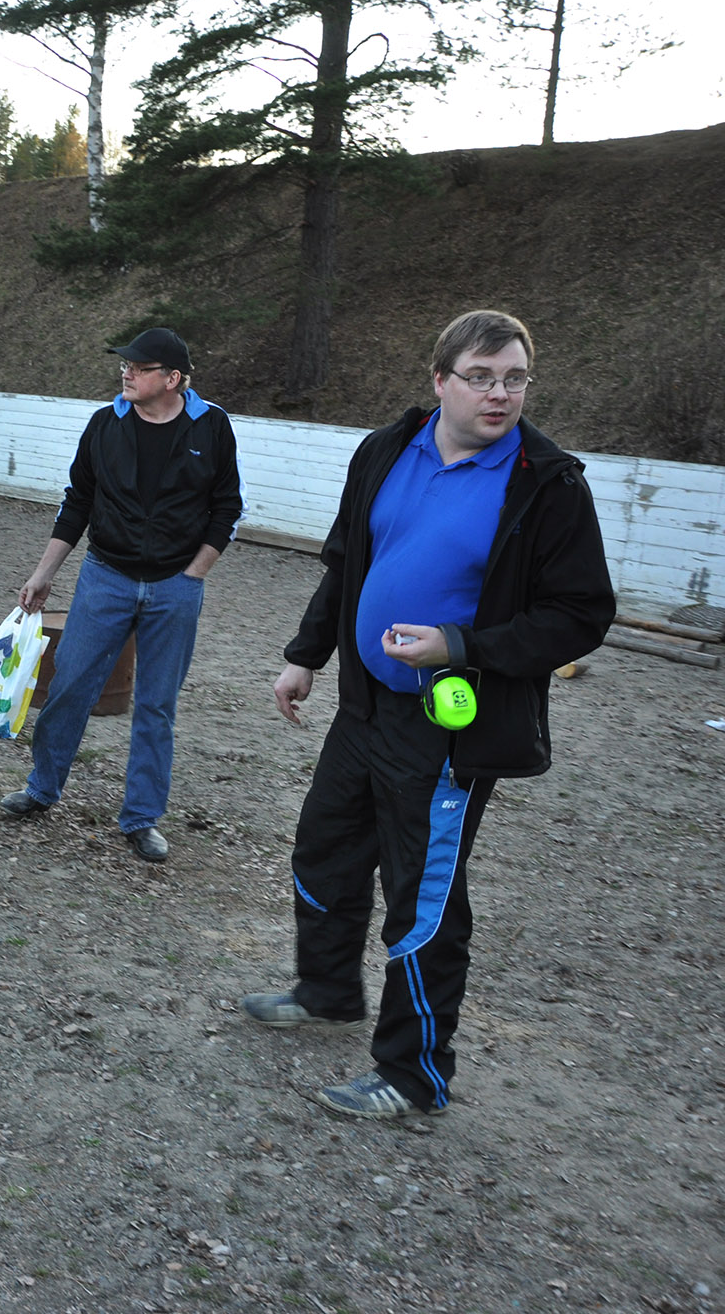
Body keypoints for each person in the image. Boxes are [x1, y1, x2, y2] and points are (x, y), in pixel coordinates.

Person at [242, 310, 615, 1119]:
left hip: (448, 727)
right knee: (325, 850)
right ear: (440, 380)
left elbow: (581, 615)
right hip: (363, 706)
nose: (500, 394)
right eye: (480, 377)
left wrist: (459, 645)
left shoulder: (547, 484)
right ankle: (327, 991)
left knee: (424, 896)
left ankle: (413, 1075)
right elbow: (346, 561)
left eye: (514, 378)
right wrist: (307, 655)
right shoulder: (387, 449)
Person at [0, 327, 243, 864]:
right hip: (105, 577)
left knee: (156, 704)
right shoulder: (105, 424)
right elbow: (77, 502)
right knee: (69, 685)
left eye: (138, 366)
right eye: (124, 365)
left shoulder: (212, 426)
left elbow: (228, 506)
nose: (126, 373)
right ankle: (42, 787)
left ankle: (141, 818)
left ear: (172, 379)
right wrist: (44, 573)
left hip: (176, 587)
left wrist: (194, 574)